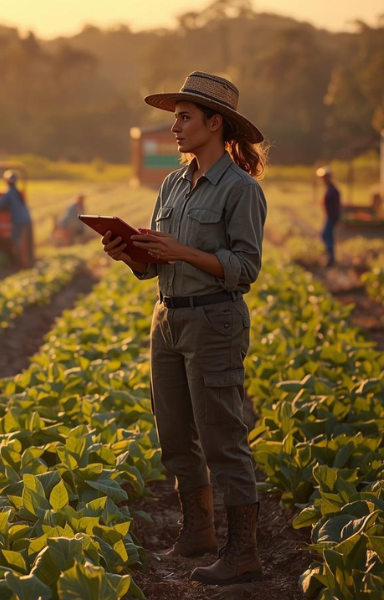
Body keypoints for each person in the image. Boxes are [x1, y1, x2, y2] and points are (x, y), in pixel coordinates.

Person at [101, 71, 267, 586]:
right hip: (167, 317)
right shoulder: (173, 183)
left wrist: (183, 252)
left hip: (214, 319)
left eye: (184, 117)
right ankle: (198, 532)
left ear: (215, 124)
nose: (174, 126)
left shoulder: (240, 190)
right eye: (174, 116)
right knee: (174, 436)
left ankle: (243, 554)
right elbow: (156, 265)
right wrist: (129, 254)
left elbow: (245, 268)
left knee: (223, 439)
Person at [0, 170, 33, 266]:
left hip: (18, 219)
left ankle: (21, 261)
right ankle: (26, 260)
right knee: (24, 239)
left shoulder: (10, 193)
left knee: (16, 239)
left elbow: (0, 205)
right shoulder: (17, 192)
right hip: (26, 217)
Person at [317, 166, 342, 266]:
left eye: (324, 177)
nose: (322, 179)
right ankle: (330, 257)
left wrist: (335, 218)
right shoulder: (330, 189)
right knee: (329, 236)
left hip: (332, 217)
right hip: (330, 216)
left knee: (325, 236)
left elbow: (336, 206)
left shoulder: (333, 190)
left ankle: (331, 257)